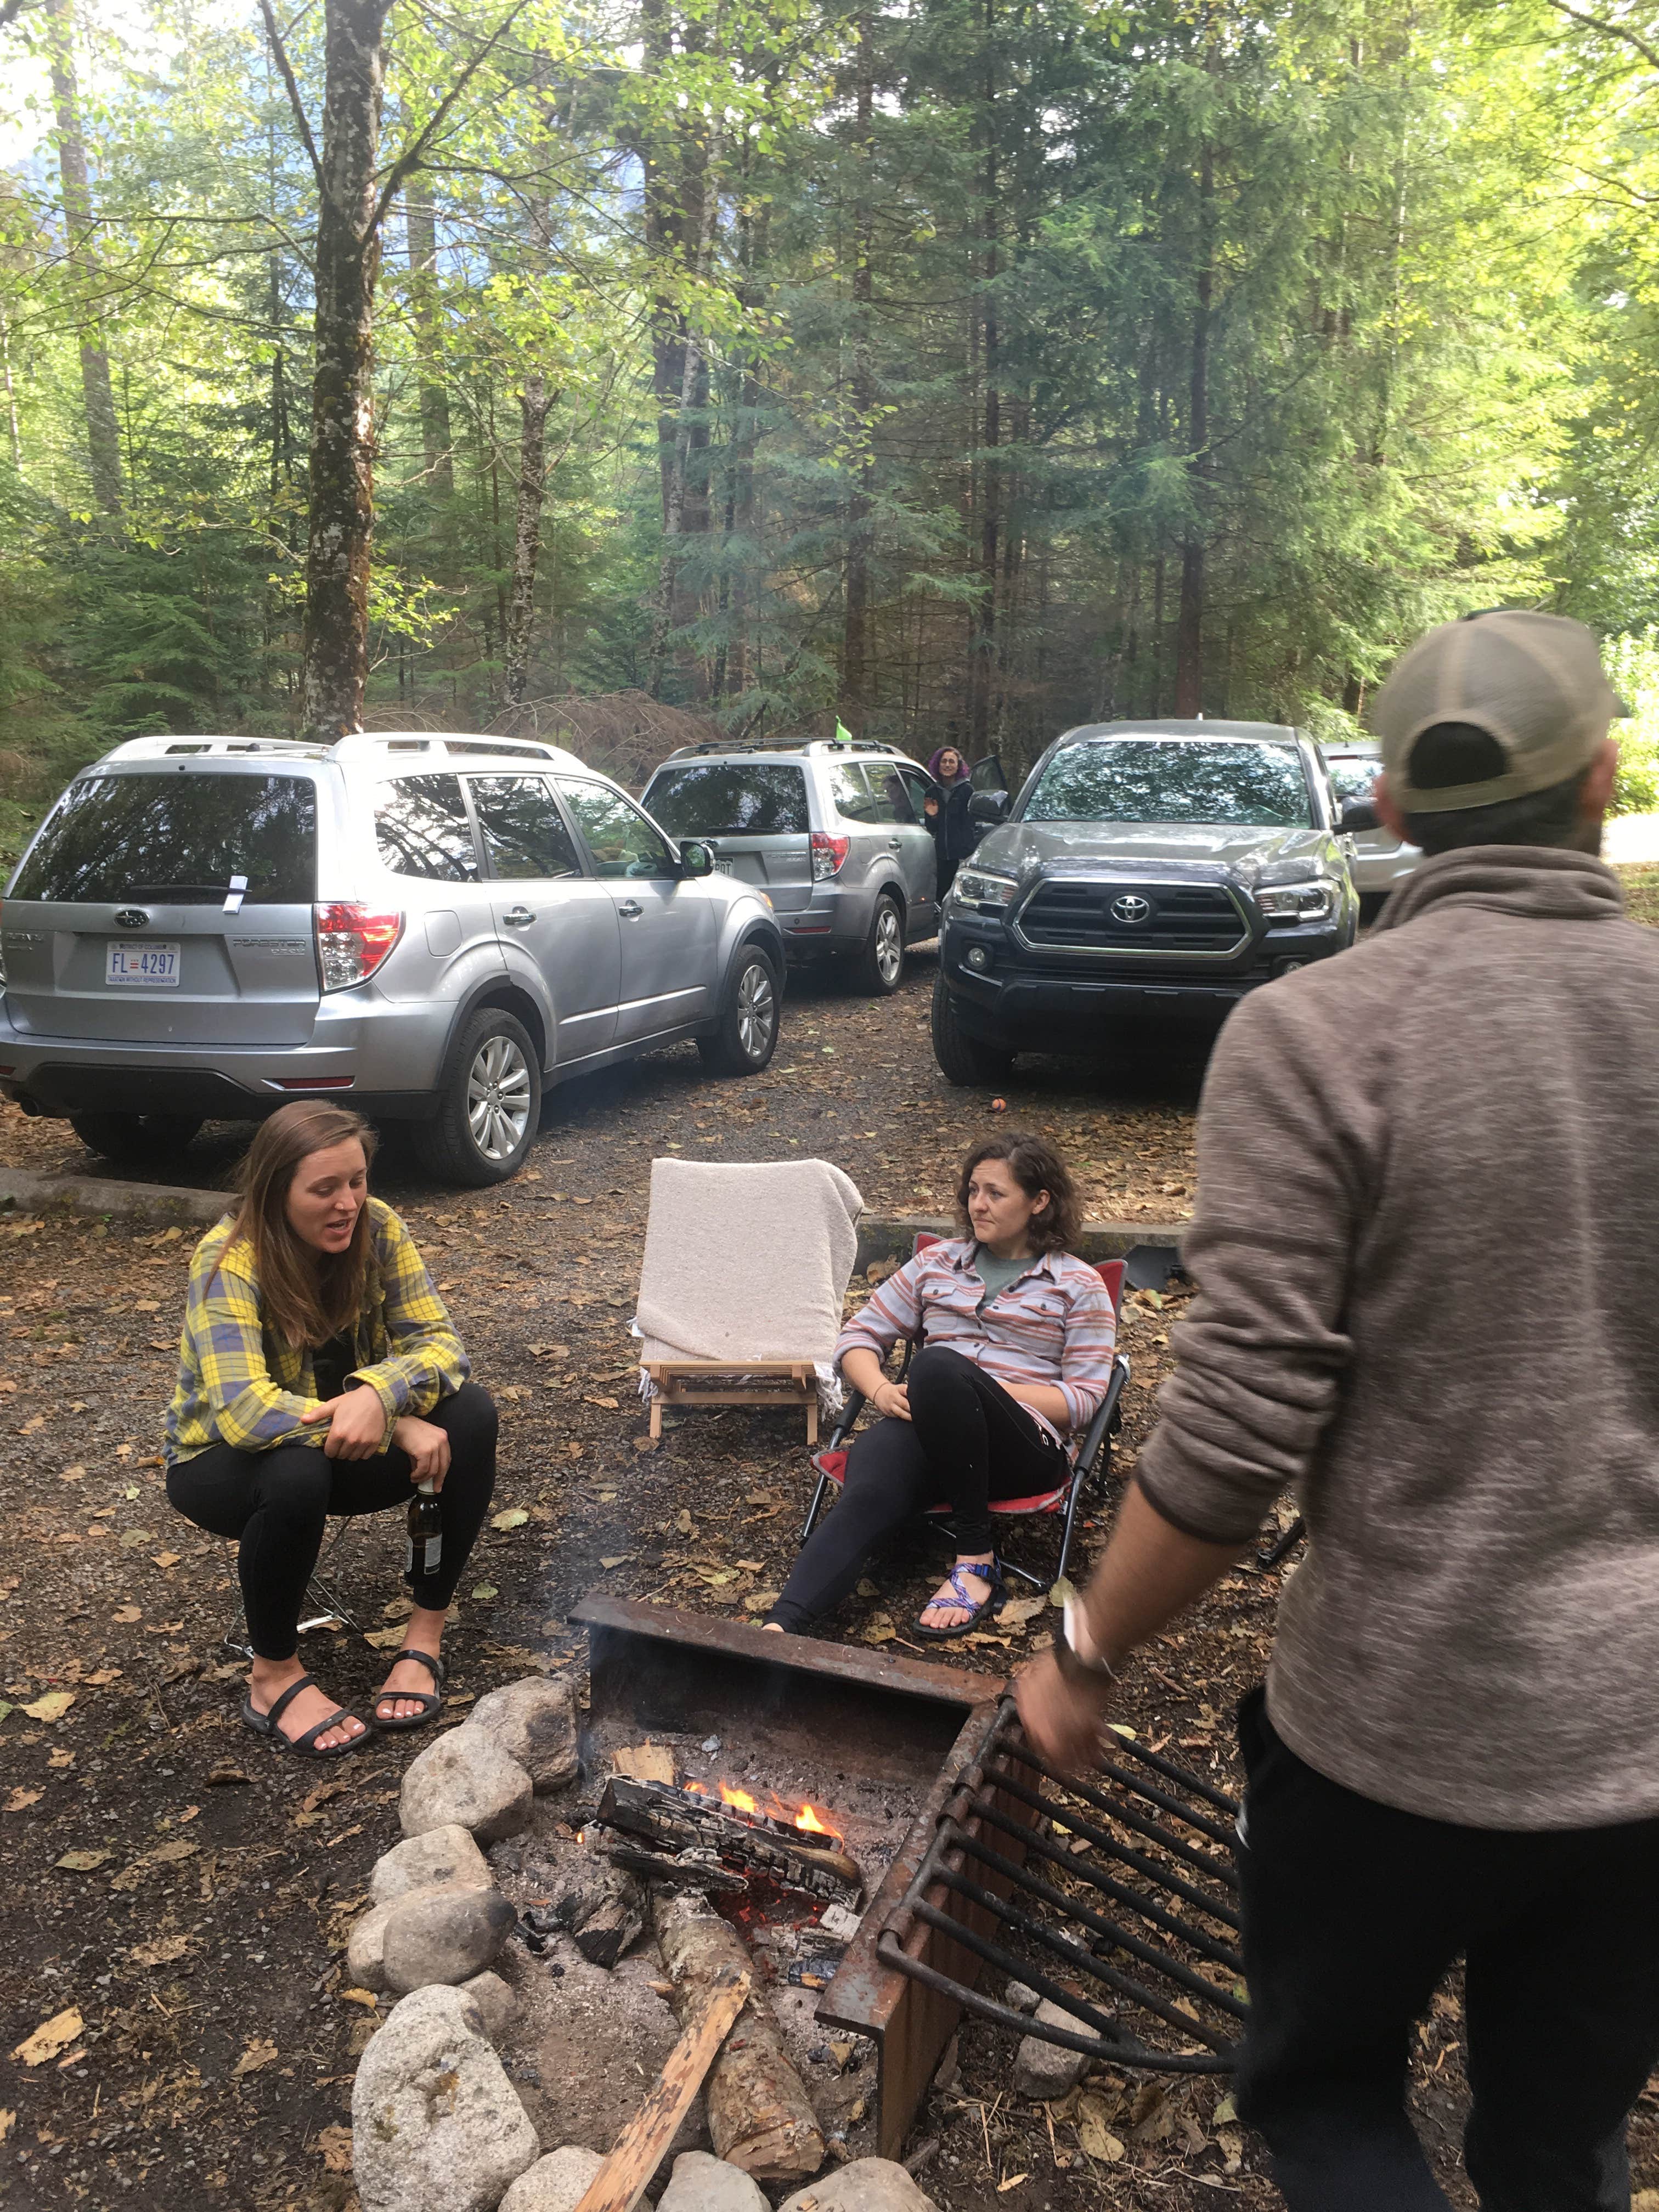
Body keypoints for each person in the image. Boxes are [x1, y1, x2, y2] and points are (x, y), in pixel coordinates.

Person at [1015, 608, 1659, 2209]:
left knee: (1329, 2108)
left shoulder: (1311, 1039)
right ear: (1604, 777)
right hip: (1643, 1753)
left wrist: (1086, 1652)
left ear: (1383, 808)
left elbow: (1233, 1445)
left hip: (1384, 1745)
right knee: (1559, 2143)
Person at [166, 1103, 497, 1758]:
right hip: (220, 1465)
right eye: (324, 1189)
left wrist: (382, 1391)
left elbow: (442, 1347)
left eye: (357, 1180)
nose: (348, 1203)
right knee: (293, 1468)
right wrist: (394, 1425)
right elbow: (247, 1413)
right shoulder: (226, 1262)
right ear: (275, 1191)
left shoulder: (380, 1229)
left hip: (341, 1449)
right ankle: (274, 1676)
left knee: (472, 1414)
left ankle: (423, 1638)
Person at [766, 1135, 1115, 1638]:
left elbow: (1082, 1402)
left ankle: (976, 1559)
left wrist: (975, 1393)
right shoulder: (937, 1263)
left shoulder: (1079, 1286)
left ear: (1040, 1202)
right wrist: (883, 1391)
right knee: (869, 1492)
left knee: (936, 1367)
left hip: (1022, 1451)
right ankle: (778, 1629)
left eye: (996, 1193)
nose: (978, 1203)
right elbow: (859, 1337)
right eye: (974, 1190)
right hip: (927, 1426)